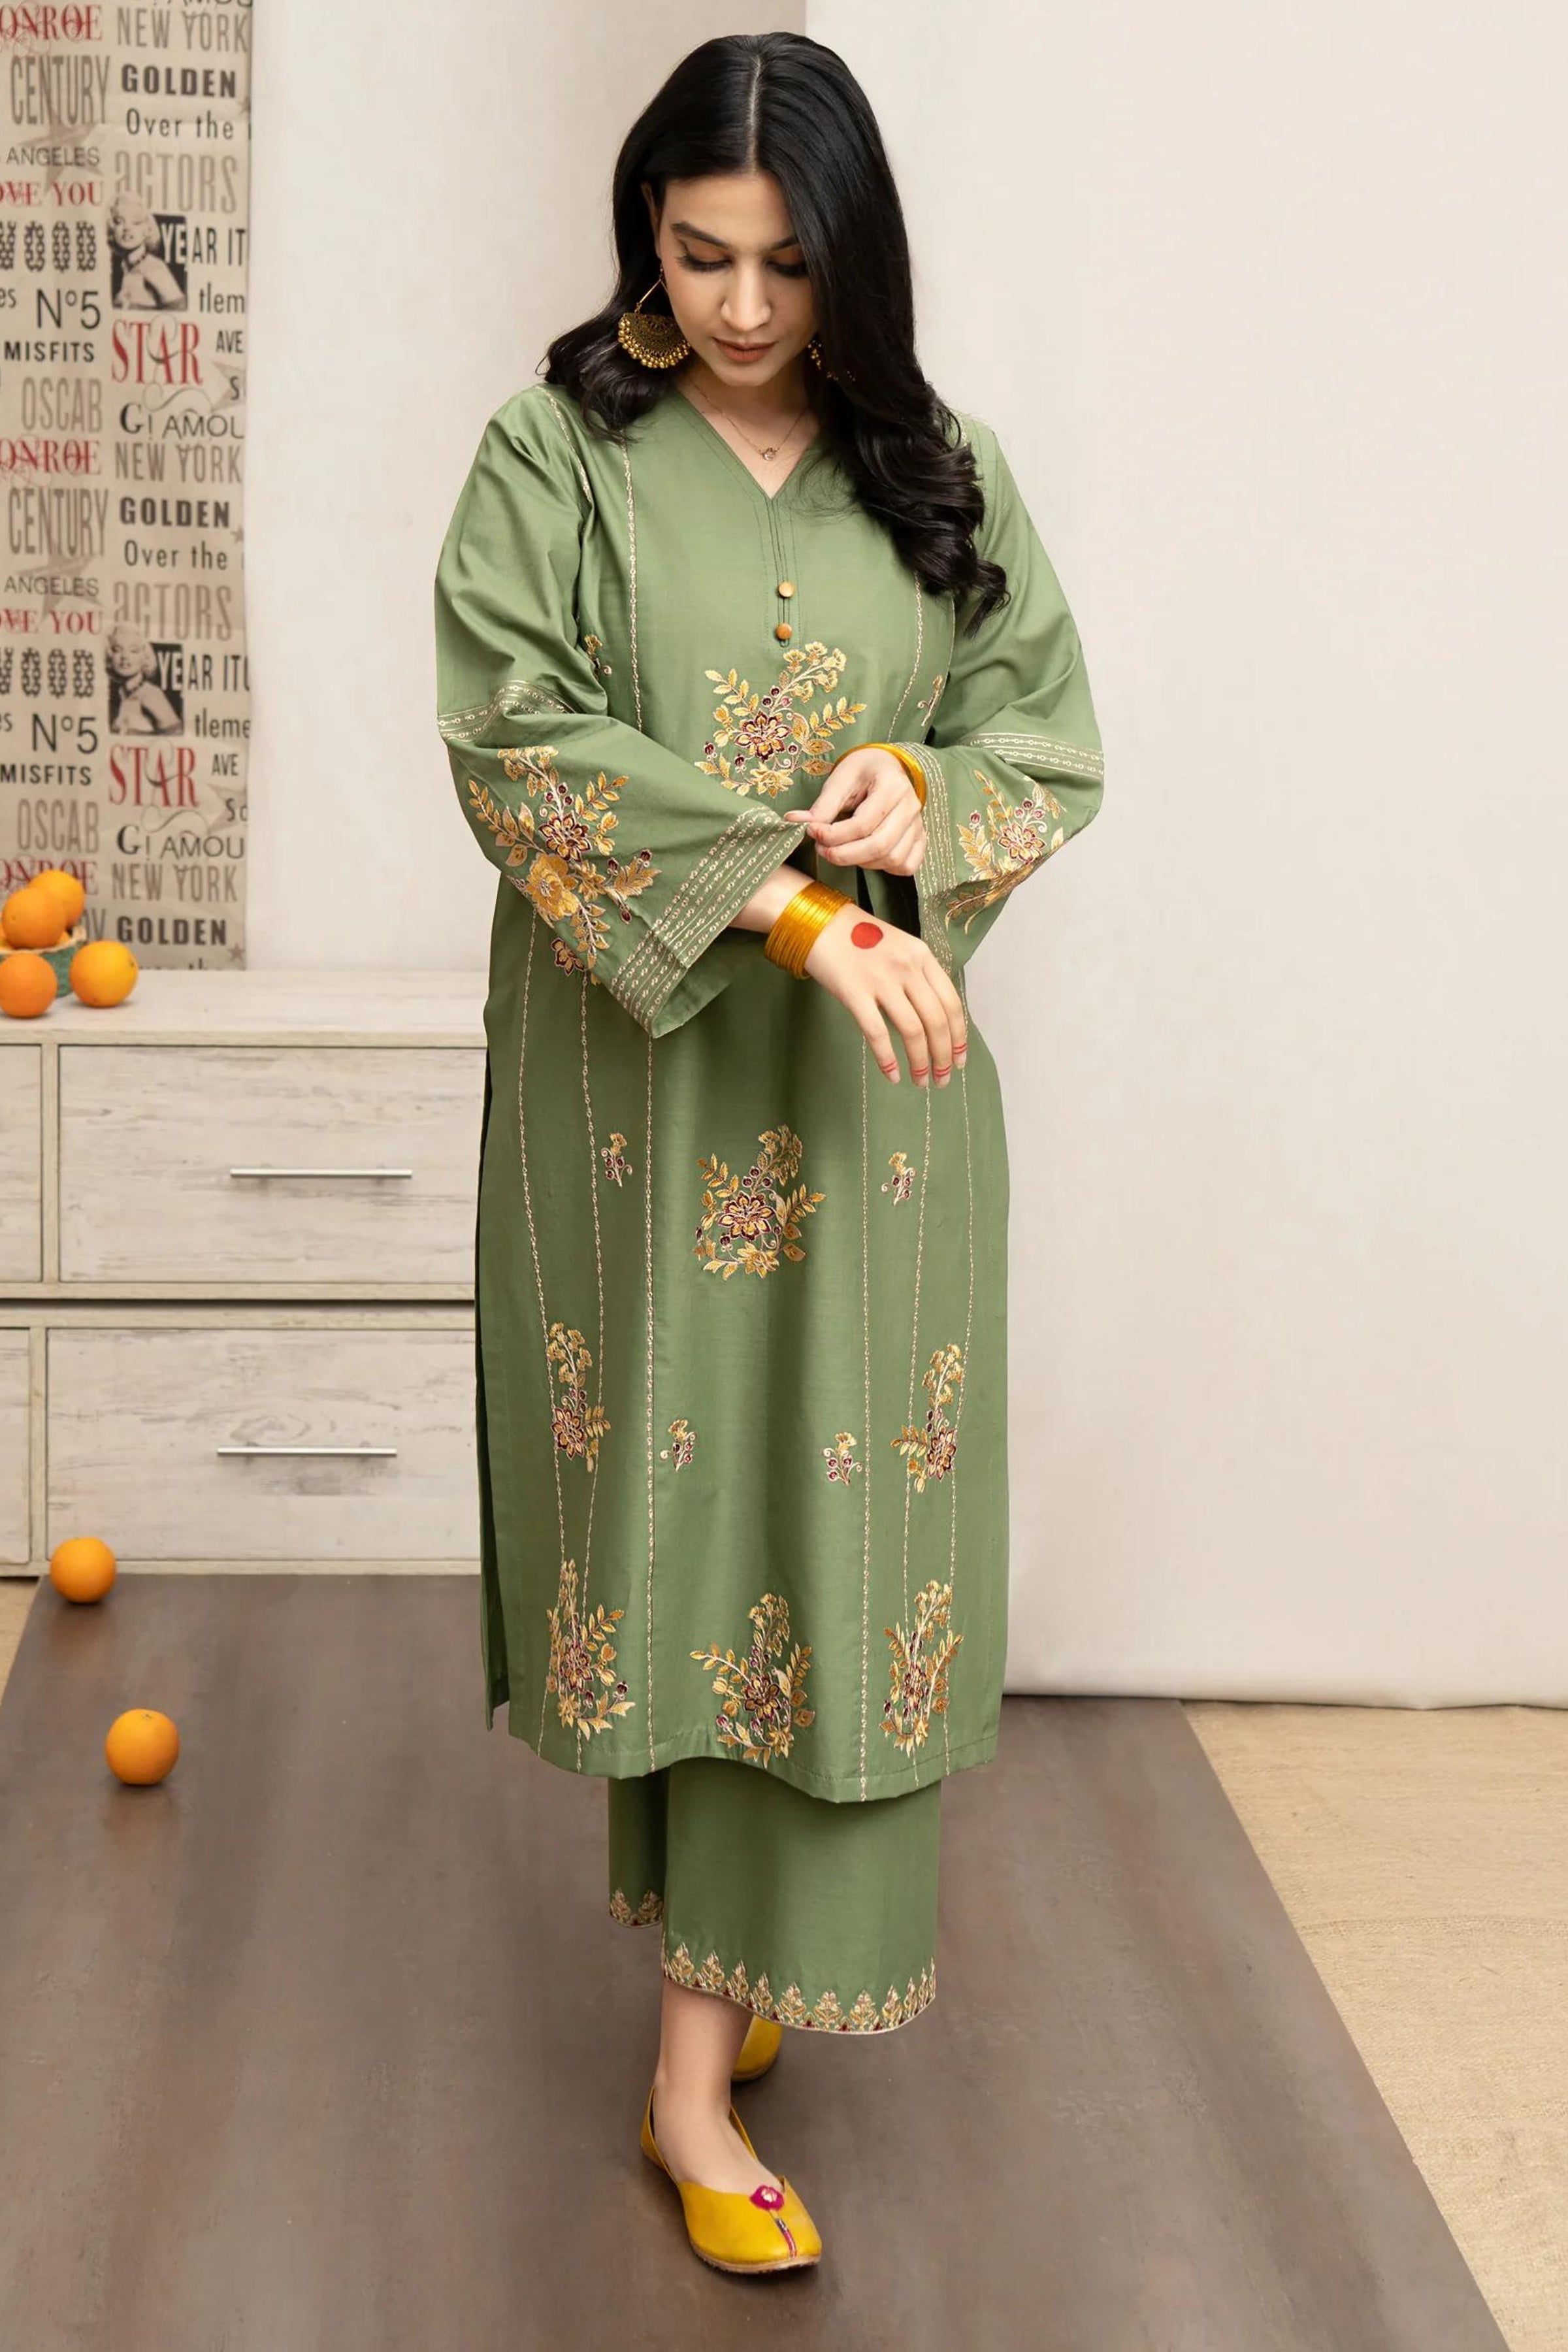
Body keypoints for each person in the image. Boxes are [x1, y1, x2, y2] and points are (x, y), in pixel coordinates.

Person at [433, 29, 1103, 2277]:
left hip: (871, 1121)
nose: (737, 306)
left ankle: (709, 2017)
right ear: (645, 230)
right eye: (698, 251)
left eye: (786, 264)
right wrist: (799, 913)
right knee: (696, 1525)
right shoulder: (557, 453)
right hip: (648, 1101)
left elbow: (1047, 738)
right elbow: (516, 739)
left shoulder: (940, 467)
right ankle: (696, 2078)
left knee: (837, 1534)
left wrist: (931, 788)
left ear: (853, 257)